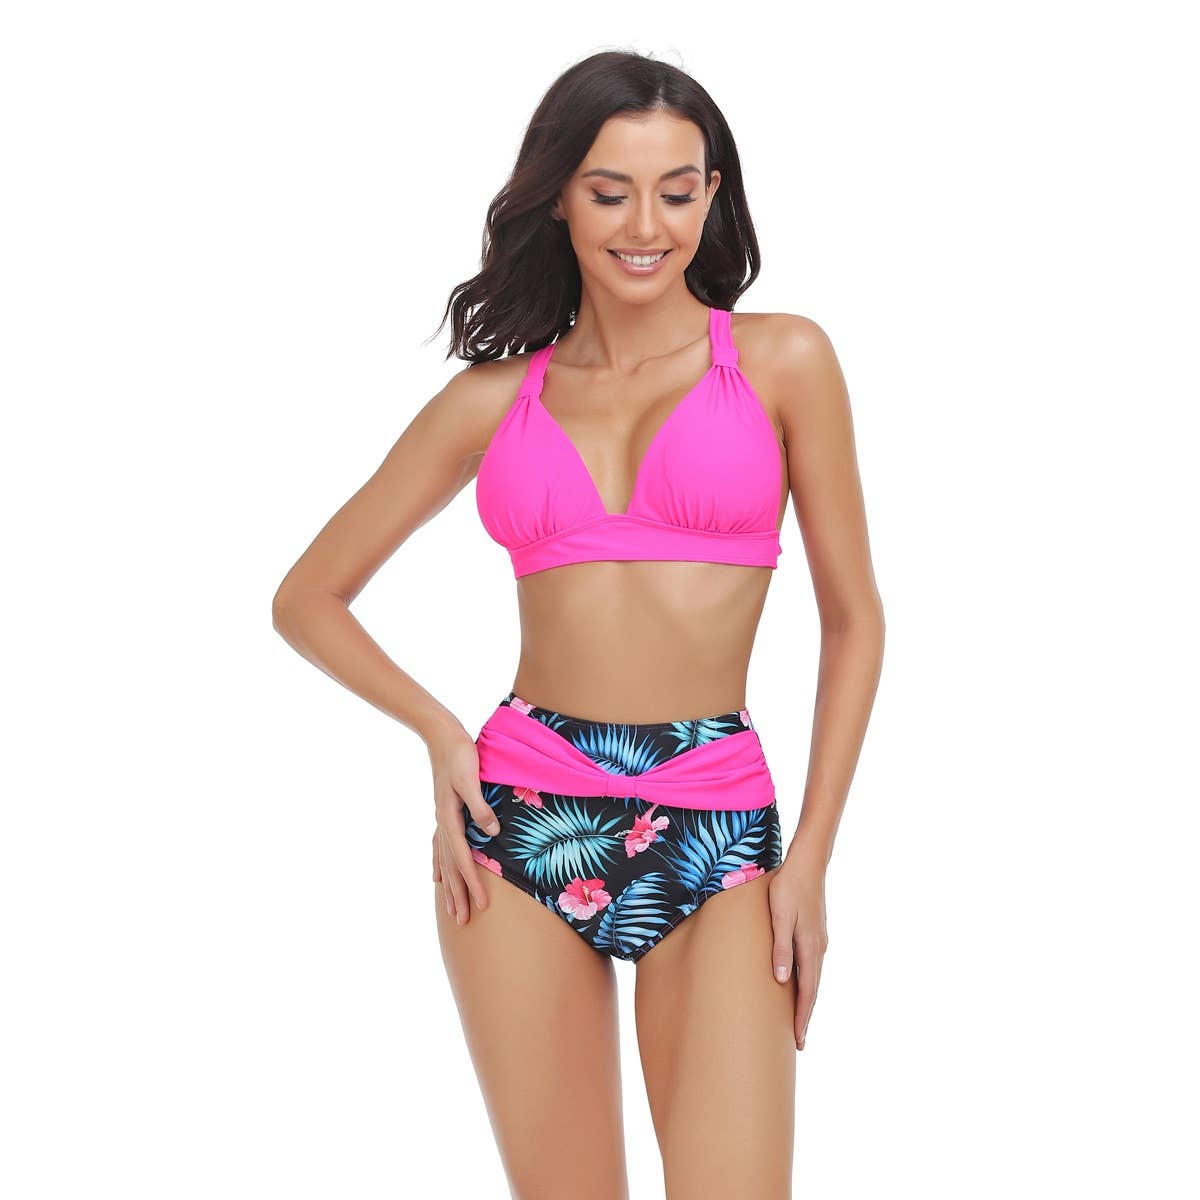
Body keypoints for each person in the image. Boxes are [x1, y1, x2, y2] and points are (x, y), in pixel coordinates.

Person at [272, 48, 885, 1200]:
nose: (646, 226)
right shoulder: (492, 400)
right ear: (559, 195)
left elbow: (854, 621)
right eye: (610, 192)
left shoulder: (783, 361)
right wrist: (442, 734)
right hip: (521, 818)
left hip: (716, 818)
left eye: (677, 191)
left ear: (713, 195)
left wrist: (810, 858)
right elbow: (306, 597)